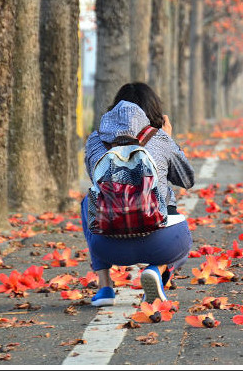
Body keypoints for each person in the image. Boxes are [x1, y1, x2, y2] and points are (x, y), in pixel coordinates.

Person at [82, 82, 194, 307]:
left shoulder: (96, 140)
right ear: (153, 112)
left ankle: (105, 286)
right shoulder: (159, 138)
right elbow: (187, 180)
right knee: (182, 237)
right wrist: (169, 139)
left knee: (88, 201)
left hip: (107, 245)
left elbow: (97, 182)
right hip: (162, 243)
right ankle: (157, 269)